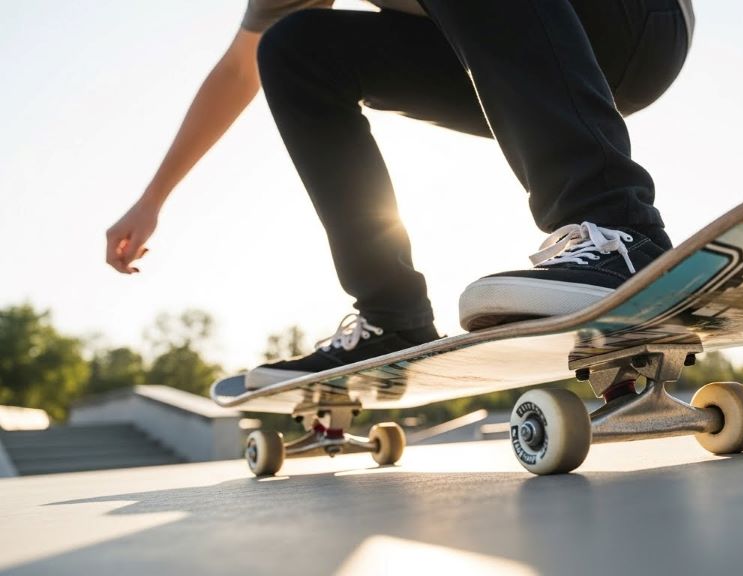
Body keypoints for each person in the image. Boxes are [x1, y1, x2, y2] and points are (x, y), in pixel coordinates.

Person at [106, 0, 695, 390]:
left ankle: (620, 231)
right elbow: (240, 69)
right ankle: (393, 317)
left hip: (633, 25)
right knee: (294, 48)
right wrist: (154, 197)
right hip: (513, 53)